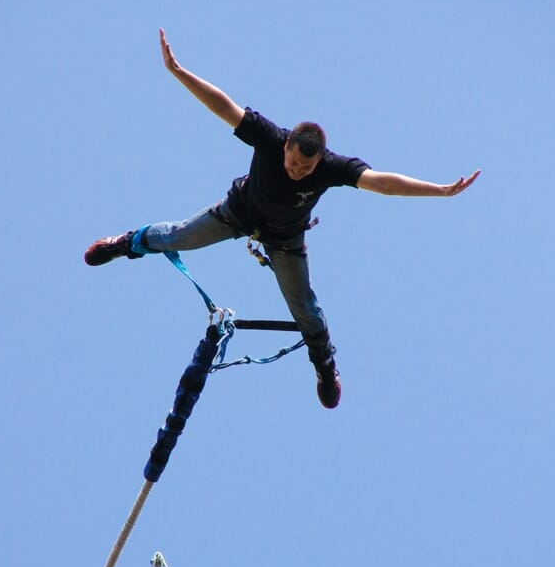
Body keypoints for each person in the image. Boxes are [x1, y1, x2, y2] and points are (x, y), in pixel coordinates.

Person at [85, 28, 481, 409]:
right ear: (287, 144)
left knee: (303, 306)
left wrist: (440, 190)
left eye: (306, 168)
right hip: (237, 213)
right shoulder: (270, 137)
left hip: (285, 239)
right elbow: (223, 106)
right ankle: (124, 243)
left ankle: (325, 367)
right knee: (178, 236)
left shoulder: (331, 167)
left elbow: (384, 184)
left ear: (318, 161)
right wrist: (178, 71)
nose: (297, 171)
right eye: (293, 163)